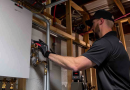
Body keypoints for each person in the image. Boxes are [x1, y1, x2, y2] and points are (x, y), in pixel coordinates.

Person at [35, 10, 130, 90]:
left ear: (101, 21)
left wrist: (47, 53)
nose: (91, 28)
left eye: (93, 23)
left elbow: (76, 65)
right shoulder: (115, 42)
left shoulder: (105, 43)